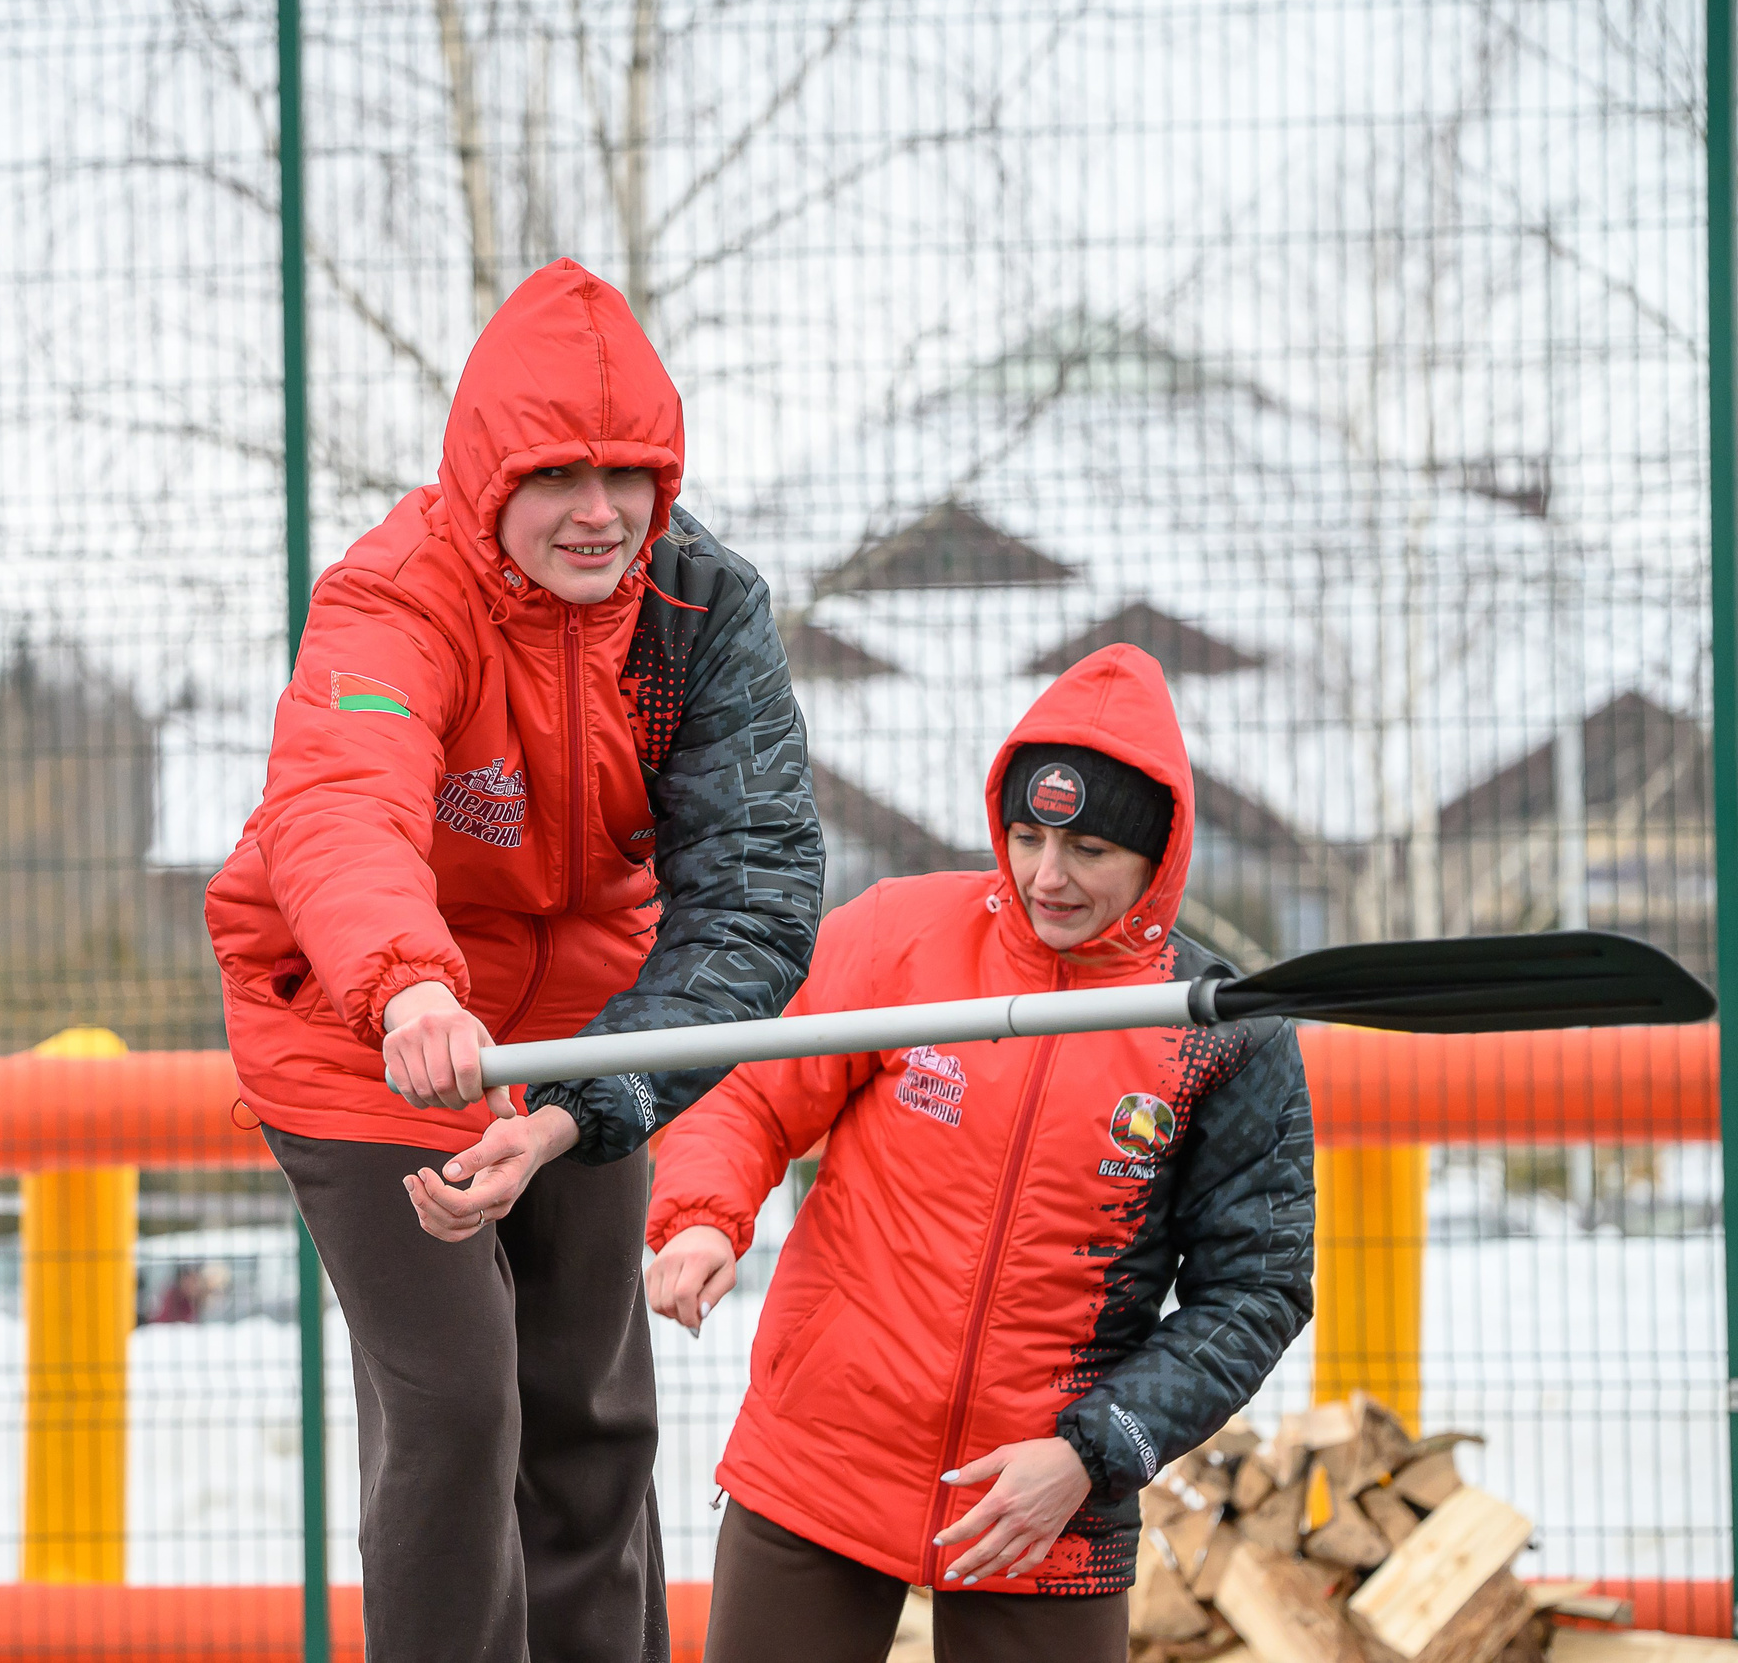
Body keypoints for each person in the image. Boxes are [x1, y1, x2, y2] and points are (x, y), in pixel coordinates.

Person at [206, 258, 824, 1663]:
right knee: (461, 1399)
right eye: (556, 475)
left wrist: (584, 1104)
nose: (598, 512)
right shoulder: (396, 595)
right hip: (368, 1023)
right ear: (487, 474)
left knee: (592, 1406)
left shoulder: (700, 607)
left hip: (589, 1029)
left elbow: (753, 897)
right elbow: (341, 800)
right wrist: (407, 980)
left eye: (630, 475)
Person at [644, 643, 1314, 1663]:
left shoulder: (1219, 1030)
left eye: (1089, 850)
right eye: (1028, 835)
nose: (1048, 875)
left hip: (1043, 1494)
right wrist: (700, 1211)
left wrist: (1092, 1456)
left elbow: (1257, 1288)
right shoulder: (901, 940)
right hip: (824, 1447)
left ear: (1158, 854)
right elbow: (748, 1093)